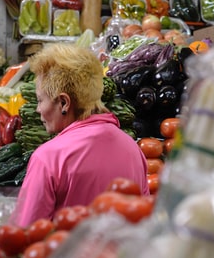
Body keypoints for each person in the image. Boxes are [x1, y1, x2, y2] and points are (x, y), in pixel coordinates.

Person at [10, 44, 150, 227]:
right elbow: (145, 219)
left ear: (64, 102)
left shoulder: (48, 158)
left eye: (40, 100)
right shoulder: (132, 148)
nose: (37, 110)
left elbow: (26, 234)